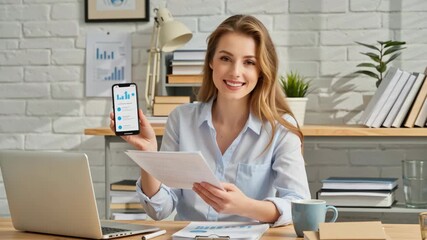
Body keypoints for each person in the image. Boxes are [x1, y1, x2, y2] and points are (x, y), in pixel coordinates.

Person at [110, 14, 310, 226]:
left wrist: (244, 206)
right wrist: (148, 154)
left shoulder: (280, 129)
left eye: (249, 62)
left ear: (261, 70)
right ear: (211, 62)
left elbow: (299, 204)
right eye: (225, 58)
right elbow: (160, 209)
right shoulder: (181, 119)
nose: (235, 72)